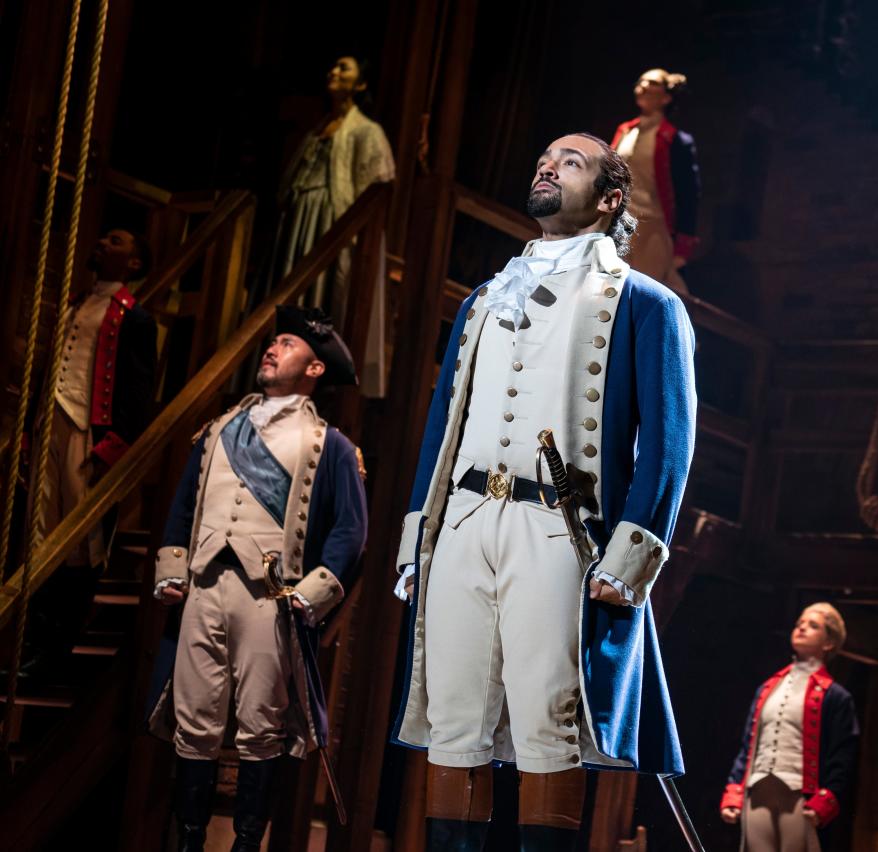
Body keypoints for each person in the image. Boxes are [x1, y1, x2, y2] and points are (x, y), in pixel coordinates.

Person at [390, 132, 696, 851]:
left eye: (571, 162)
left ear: (611, 198)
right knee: (455, 721)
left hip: (558, 525)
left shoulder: (646, 305)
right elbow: (444, 423)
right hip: (465, 517)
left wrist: (631, 553)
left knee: (546, 723)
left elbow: (671, 444)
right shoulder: (485, 299)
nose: (546, 166)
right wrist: (420, 536)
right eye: (543, 160)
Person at [147, 305, 367, 852]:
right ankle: (189, 842)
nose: (272, 349)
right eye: (273, 342)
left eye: (288, 345)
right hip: (203, 588)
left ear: (315, 370)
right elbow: (184, 507)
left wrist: (310, 595)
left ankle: (247, 845)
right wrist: (174, 571)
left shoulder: (330, 446)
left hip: (270, 599)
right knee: (193, 723)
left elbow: (351, 531)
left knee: (260, 730)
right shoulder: (219, 429)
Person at [19, 228, 156, 673]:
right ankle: (31, 639)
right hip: (49, 427)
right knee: (38, 534)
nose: (102, 243)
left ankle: (58, 645)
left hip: (87, 435)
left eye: (117, 240)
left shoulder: (135, 319)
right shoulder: (75, 302)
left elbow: (137, 393)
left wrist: (112, 450)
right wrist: (28, 432)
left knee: (80, 543)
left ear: (134, 264)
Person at [263, 55, 395, 397]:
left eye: (344, 69)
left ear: (361, 84)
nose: (333, 72)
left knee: (321, 291)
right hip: (299, 217)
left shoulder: (366, 130)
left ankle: (309, 373)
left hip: (328, 218)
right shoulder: (319, 127)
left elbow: (377, 183)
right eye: (333, 67)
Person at [719, 603, 859, 851]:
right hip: (759, 788)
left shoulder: (836, 697)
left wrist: (825, 799)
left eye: (813, 626)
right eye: (800, 623)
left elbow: (842, 754)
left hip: (799, 796)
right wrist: (735, 791)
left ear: (829, 643)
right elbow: (749, 745)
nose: (802, 627)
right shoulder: (767, 688)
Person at [610, 68, 701, 295]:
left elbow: (688, 195)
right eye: (641, 81)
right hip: (619, 222)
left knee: (643, 292)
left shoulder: (675, 140)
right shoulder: (625, 131)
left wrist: (683, 247)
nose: (643, 85)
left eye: (651, 82)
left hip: (653, 227)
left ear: (666, 96)